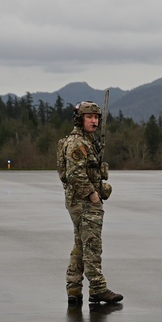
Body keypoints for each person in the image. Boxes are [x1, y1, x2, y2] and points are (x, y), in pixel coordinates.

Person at [57, 101, 122, 305]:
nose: (94, 121)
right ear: (80, 119)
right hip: (84, 202)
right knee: (92, 243)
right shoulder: (78, 142)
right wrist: (93, 194)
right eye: (89, 117)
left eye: (96, 117)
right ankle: (97, 288)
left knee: (80, 245)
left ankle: (74, 289)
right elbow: (74, 174)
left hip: (79, 200)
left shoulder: (88, 140)